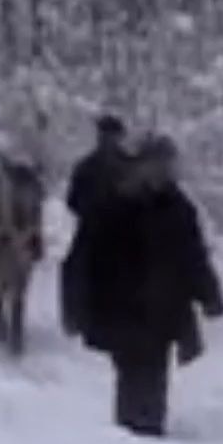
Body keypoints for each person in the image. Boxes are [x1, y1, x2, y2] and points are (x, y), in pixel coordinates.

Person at [78, 136, 223, 437]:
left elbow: (193, 256)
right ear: (141, 166)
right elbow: (87, 259)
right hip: (123, 310)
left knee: (156, 378)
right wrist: (85, 307)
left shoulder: (180, 208)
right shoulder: (114, 205)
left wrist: (210, 295)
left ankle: (152, 436)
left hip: (164, 312)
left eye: (169, 165)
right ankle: (130, 439)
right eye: (158, 164)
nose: (165, 172)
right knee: (132, 375)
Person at [60, 114, 131, 334]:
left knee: (72, 268)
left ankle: (74, 317)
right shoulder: (129, 164)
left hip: (96, 229)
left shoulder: (86, 165)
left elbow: (72, 201)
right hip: (121, 228)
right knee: (71, 266)